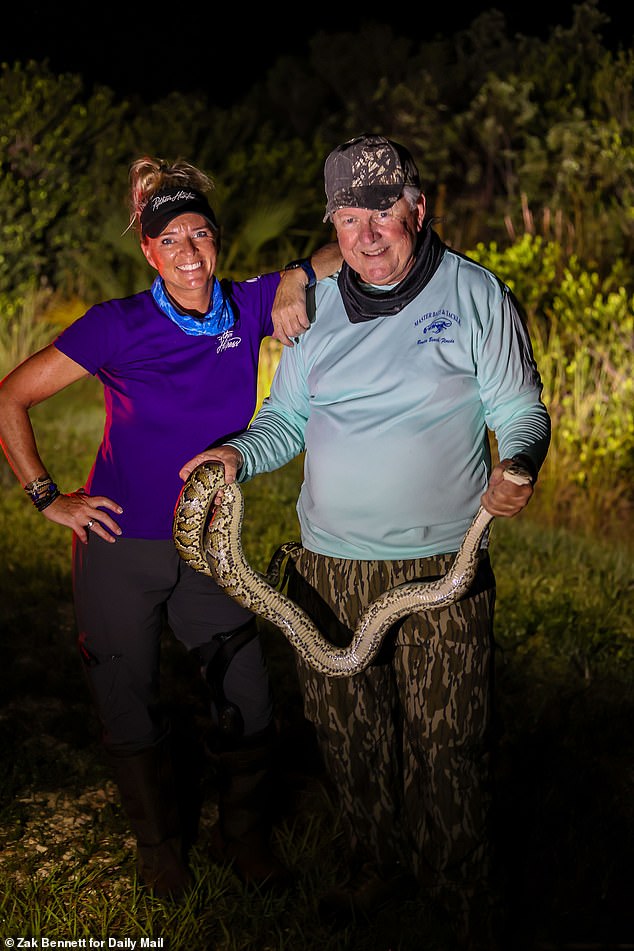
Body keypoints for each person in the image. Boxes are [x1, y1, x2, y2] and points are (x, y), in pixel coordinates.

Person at [178, 134, 551, 948]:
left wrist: (517, 462)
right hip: (329, 565)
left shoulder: (476, 293)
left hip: (442, 565)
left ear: (419, 208)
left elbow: (519, 408)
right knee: (350, 733)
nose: (368, 232)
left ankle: (458, 890)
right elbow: (286, 421)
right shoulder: (312, 310)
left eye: (383, 210)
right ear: (333, 226)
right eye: (349, 216)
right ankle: (370, 863)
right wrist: (237, 452)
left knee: (447, 739)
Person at [0, 155, 341, 900]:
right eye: (172, 240)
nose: (190, 252)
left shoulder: (248, 306)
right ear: (150, 252)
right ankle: (160, 851)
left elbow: (340, 249)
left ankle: (241, 836)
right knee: (128, 700)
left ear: (215, 242)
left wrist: (290, 276)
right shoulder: (115, 324)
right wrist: (47, 496)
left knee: (248, 697)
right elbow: (11, 397)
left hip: (207, 544)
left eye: (200, 234)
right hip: (119, 546)